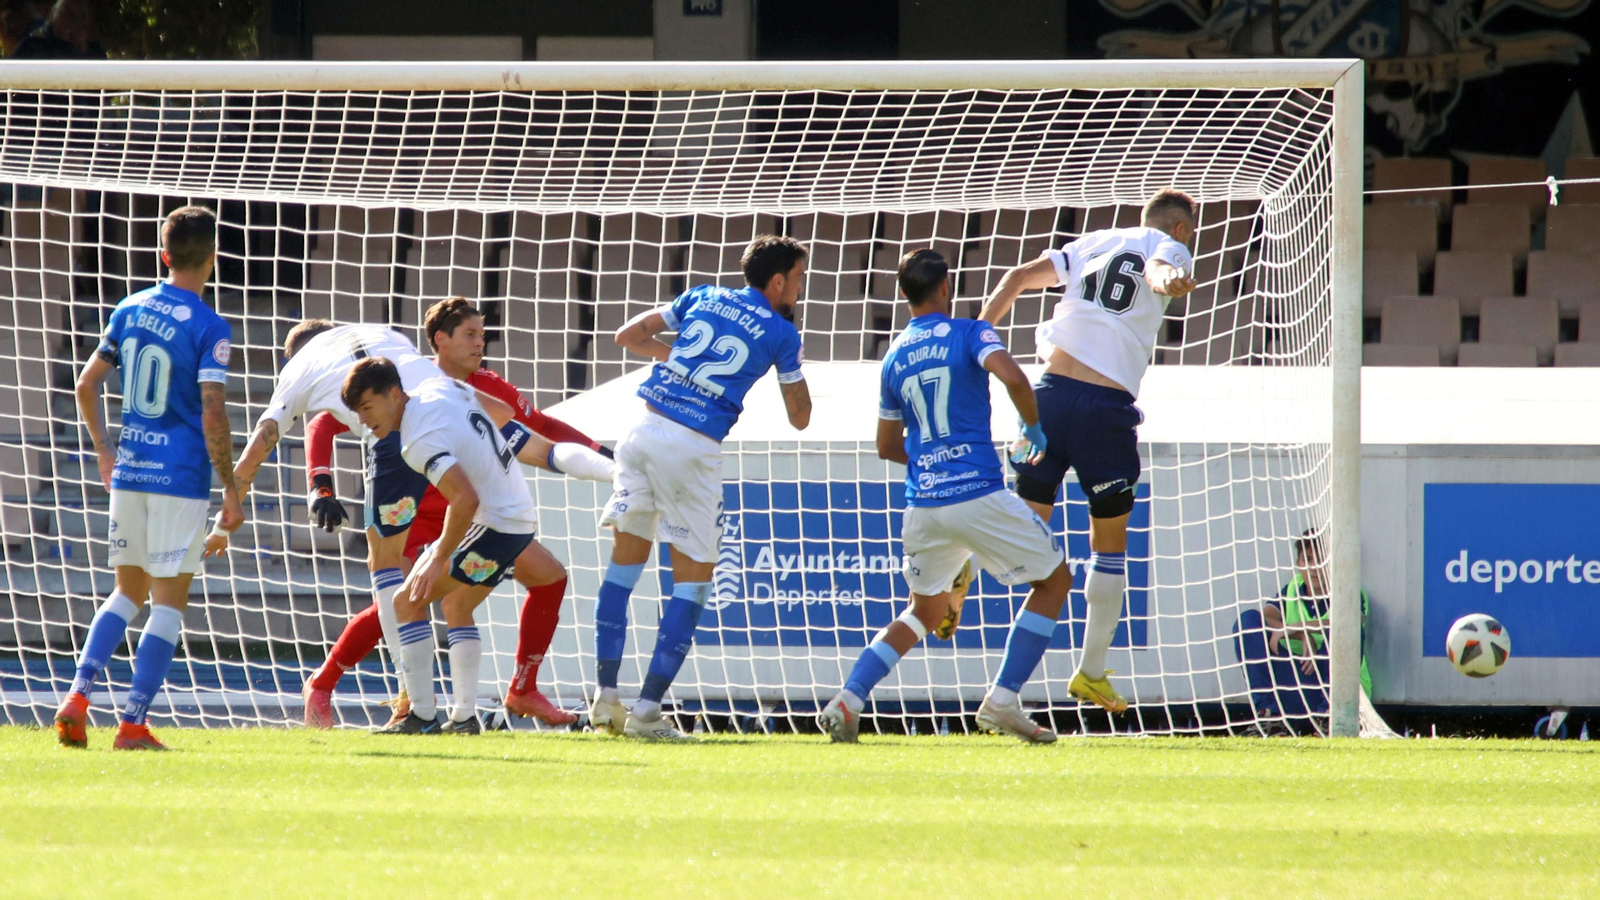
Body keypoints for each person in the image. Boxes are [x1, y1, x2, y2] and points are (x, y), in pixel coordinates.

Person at [230, 321, 606, 719]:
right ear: (439, 342)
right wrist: (321, 482)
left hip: (465, 512)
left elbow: (537, 429)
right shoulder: (396, 384)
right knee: (405, 599)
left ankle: (513, 691)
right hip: (428, 511)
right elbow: (324, 422)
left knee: (543, 578)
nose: (481, 341)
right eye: (469, 334)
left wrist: (601, 453)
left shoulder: (478, 387)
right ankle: (349, 688)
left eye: (482, 333)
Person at [817, 250, 1071, 744]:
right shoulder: (970, 332)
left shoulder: (893, 356)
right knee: (1055, 581)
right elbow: (1015, 376)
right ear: (946, 286)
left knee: (924, 610)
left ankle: (848, 699)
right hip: (977, 492)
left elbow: (887, 446)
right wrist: (1034, 429)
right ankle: (1002, 700)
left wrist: (932, 460)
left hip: (923, 504)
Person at [979, 187, 1198, 715]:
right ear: (1182, 229)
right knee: (1110, 544)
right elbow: (1158, 273)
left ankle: (964, 565)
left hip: (1048, 396)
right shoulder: (1168, 245)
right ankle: (1092, 671)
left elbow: (1016, 278)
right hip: (1104, 411)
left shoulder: (1091, 241)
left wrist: (977, 334)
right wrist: (1173, 279)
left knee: (1024, 534)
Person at [597, 234, 812, 740]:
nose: (800, 290)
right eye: (799, 279)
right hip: (689, 449)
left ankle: (607, 699)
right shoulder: (782, 332)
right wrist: (790, 363)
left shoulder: (703, 295)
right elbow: (800, 418)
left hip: (641, 431)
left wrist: (681, 362)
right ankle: (647, 713)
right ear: (778, 280)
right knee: (692, 582)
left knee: (623, 569)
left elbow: (627, 335)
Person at [53, 206, 242, 751]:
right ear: (211, 258)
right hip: (179, 477)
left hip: (131, 470)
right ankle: (132, 724)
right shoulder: (210, 326)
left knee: (125, 592)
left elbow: (86, 385)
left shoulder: (129, 308)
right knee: (166, 603)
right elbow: (212, 411)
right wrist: (230, 488)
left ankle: (77, 696)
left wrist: (104, 453)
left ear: (163, 254)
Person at [340, 362, 545, 735]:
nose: (364, 420)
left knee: (406, 603)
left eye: (368, 408)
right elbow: (501, 412)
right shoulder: (440, 388)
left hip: (495, 524)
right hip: (517, 522)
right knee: (458, 605)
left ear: (395, 395)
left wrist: (437, 557)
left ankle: (421, 715)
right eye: (357, 413)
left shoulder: (415, 440)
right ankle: (464, 718)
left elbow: (464, 499)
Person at [1235, 528, 1372, 734]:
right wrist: (1301, 635)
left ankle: (1328, 715)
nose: (1315, 567)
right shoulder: (1291, 589)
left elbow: (1352, 620)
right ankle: (1267, 714)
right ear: (1299, 564)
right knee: (1247, 621)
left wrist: (1298, 627)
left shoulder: (1351, 592)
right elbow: (1262, 618)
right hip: (1295, 686)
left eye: (1322, 559)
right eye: (1308, 559)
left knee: (1339, 629)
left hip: (1337, 692)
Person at [10, 0, 103, 59]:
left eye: (79, 16)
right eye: (66, 12)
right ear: (53, 14)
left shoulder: (92, 49)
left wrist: (81, 50)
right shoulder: (33, 44)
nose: (70, 21)